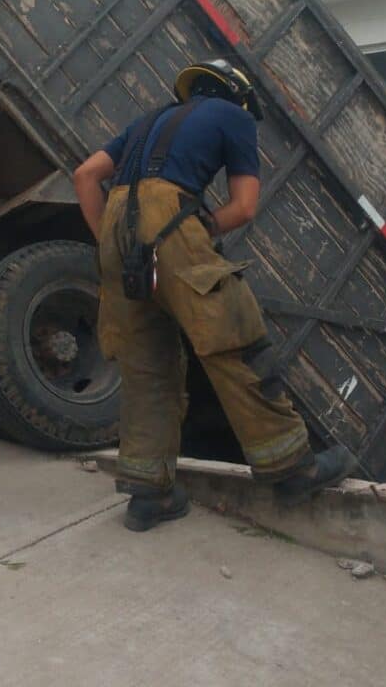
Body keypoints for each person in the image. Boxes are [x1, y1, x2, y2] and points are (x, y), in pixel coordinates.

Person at [72, 59, 352, 532]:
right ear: (235, 95)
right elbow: (243, 206)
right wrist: (200, 226)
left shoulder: (148, 122)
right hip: (172, 221)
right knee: (234, 342)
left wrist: (110, 242)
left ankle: (147, 496)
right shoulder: (235, 117)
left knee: (146, 365)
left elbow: (85, 175)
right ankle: (291, 469)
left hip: (116, 231)